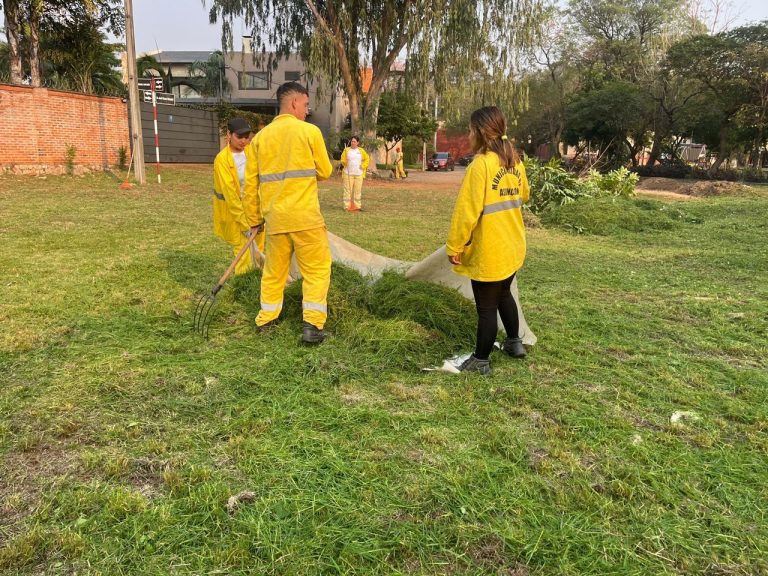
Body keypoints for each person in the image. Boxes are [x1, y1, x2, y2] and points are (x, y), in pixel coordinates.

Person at [243, 82, 334, 344]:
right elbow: (325, 171)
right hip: (306, 218)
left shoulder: (259, 139)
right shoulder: (310, 132)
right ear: (294, 102)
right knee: (316, 271)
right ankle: (312, 327)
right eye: (305, 104)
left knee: (274, 272)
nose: (307, 110)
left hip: (275, 220)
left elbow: (250, 186)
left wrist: (255, 220)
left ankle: (266, 320)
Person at [445, 106, 530, 375]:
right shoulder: (514, 161)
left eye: (471, 130)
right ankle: (514, 343)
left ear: (480, 132)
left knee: (487, 307)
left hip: (490, 249)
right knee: (504, 293)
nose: (469, 135)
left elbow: (466, 212)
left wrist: (454, 245)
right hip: (513, 244)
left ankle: (480, 360)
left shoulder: (480, 165)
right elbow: (524, 194)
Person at [212, 117, 263, 275]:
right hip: (236, 215)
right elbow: (230, 196)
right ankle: (244, 282)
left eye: (246, 137)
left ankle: (259, 281)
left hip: (255, 211)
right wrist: (244, 224)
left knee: (259, 250)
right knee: (243, 253)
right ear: (229, 134)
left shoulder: (250, 152)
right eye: (239, 137)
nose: (243, 141)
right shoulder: (222, 160)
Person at [339, 136, 369, 211]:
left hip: (359, 174)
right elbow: (342, 160)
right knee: (347, 190)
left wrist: (363, 166)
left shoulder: (361, 151)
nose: (353, 143)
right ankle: (347, 206)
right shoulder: (346, 150)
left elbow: (367, 159)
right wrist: (345, 161)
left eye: (354, 141)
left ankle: (357, 206)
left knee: (357, 191)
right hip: (348, 174)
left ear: (358, 143)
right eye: (352, 141)